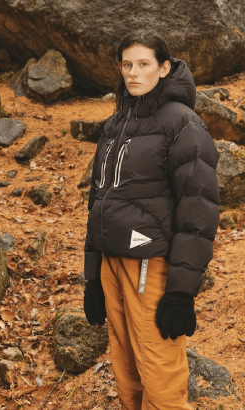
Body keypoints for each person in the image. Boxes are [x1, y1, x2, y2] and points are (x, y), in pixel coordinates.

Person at [83, 30, 220, 410]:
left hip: (150, 262)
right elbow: (98, 203)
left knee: (158, 369)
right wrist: (92, 277)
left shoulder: (182, 123)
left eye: (143, 64)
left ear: (164, 68)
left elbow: (198, 210)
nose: (133, 73)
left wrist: (180, 293)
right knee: (125, 364)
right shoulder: (115, 125)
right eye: (127, 64)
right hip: (112, 262)